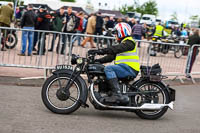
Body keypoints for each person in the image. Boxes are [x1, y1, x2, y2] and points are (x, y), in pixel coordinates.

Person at [88, 22, 140, 104]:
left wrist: (100, 51)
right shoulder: (123, 43)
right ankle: (109, 93)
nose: (115, 36)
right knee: (104, 69)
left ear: (122, 32)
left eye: (116, 33)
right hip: (125, 68)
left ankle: (117, 94)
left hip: (130, 68)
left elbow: (114, 49)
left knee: (108, 68)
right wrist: (97, 61)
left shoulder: (129, 42)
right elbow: (111, 57)